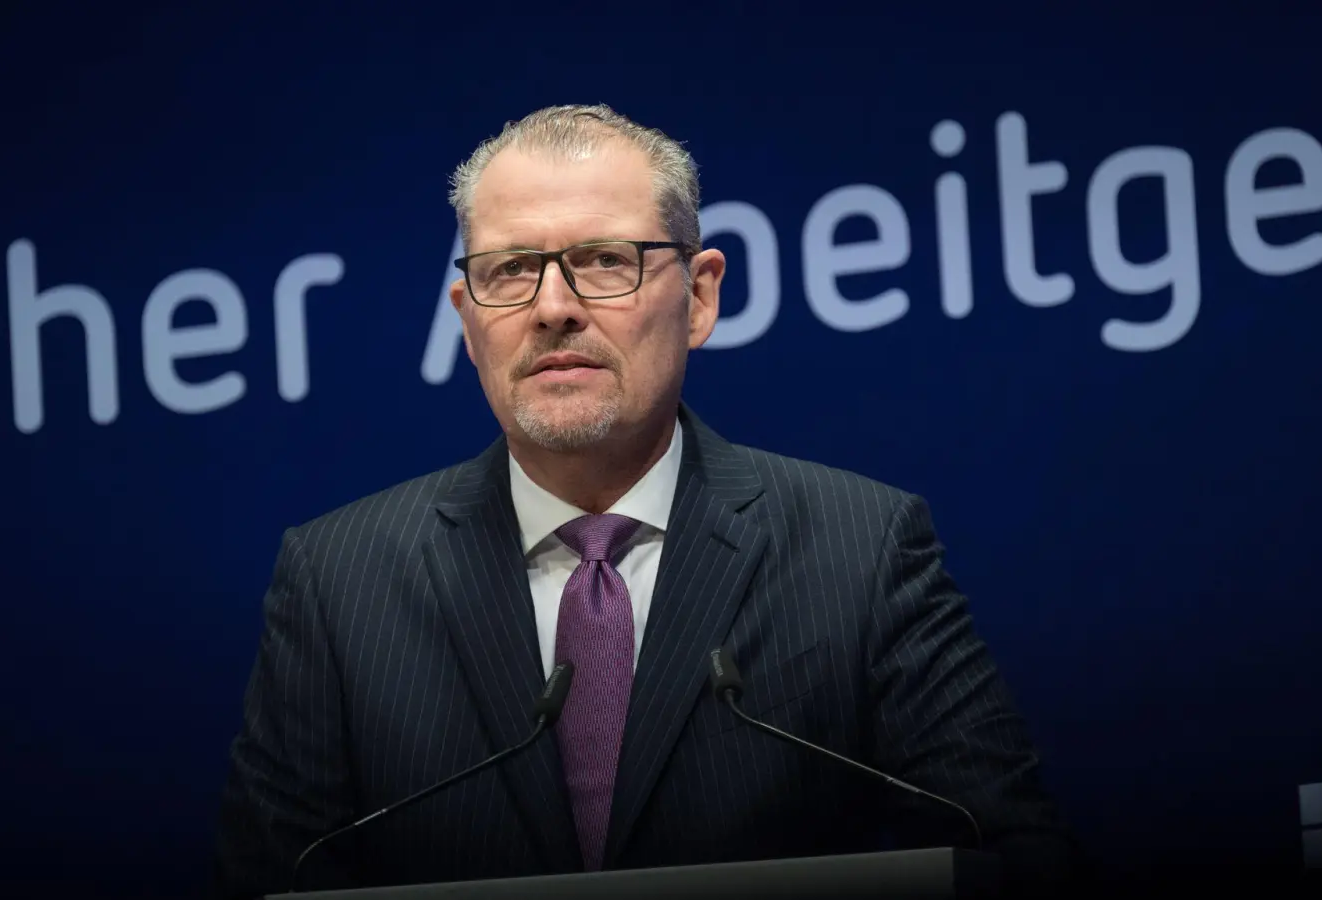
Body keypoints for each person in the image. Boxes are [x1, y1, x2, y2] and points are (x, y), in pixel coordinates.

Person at [212, 103, 1076, 898]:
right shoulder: (336, 581)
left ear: (699, 296)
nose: (553, 308)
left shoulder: (862, 547)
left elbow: (1006, 857)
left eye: (602, 262)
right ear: (466, 318)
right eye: (511, 270)